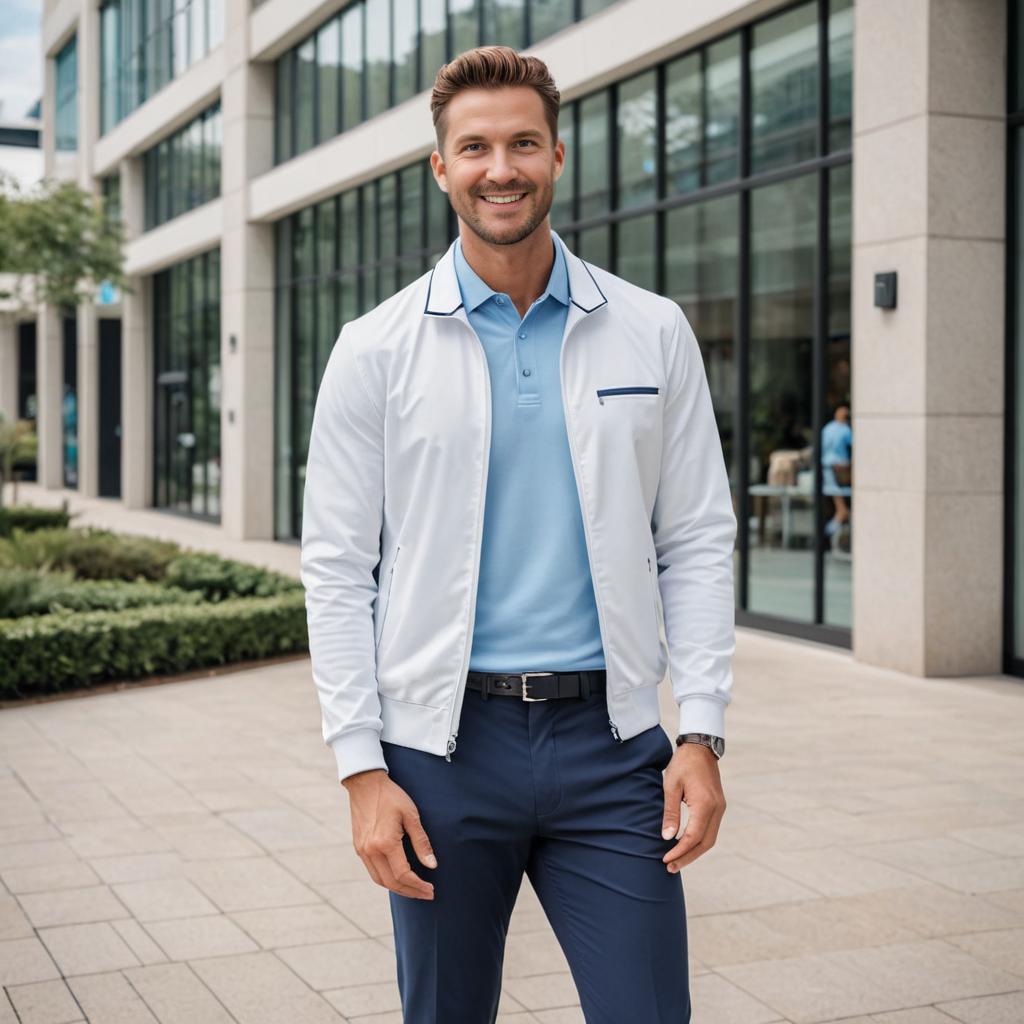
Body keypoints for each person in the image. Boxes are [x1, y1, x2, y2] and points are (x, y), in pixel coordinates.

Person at [300, 45, 737, 1024]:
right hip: (441, 753)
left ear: (558, 156)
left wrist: (701, 731)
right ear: (441, 166)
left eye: (523, 144)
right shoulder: (375, 348)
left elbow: (699, 538)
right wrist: (362, 768)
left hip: (611, 747)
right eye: (477, 147)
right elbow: (335, 566)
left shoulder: (650, 329)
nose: (502, 167)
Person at [821, 403, 853, 544]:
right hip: (839, 471)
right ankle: (826, 534)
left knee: (839, 507)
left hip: (828, 468)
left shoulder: (827, 428)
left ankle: (827, 534)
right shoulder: (845, 430)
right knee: (841, 509)